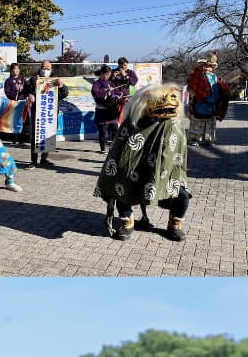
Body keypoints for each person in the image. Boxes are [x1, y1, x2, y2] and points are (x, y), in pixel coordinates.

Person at [94, 82, 191, 242]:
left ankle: (175, 223)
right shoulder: (133, 121)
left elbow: (176, 151)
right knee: (120, 187)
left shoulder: (173, 121)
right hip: (134, 170)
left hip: (164, 169)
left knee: (182, 195)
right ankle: (127, 221)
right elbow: (121, 151)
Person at [22, 61, 69, 168]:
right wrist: (29, 94)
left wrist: (61, 86)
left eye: (48, 68)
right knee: (36, 135)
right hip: (38, 112)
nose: (45, 69)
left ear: (51, 69)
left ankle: (44, 159)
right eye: (43, 67)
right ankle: (33, 161)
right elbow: (25, 90)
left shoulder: (55, 80)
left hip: (50, 113)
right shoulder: (34, 79)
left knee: (49, 135)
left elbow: (64, 93)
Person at [187, 53, 223, 147]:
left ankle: (208, 140)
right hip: (199, 102)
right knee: (197, 121)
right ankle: (193, 139)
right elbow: (190, 89)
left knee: (210, 123)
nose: (208, 68)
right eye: (206, 66)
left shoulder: (214, 77)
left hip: (211, 104)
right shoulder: (196, 76)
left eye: (210, 67)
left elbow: (217, 90)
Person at [91, 65, 124, 154]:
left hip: (112, 111)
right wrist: (107, 92)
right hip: (102, 111)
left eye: (109, 75)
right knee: (103, 132)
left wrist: (119, 95)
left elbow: (115, 92)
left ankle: (113, 148)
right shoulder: (96, 84)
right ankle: (103, 149)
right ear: (102, 74)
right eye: (106, 75)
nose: (108, 76)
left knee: (115, 130)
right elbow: (96, 95)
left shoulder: (111, 83)